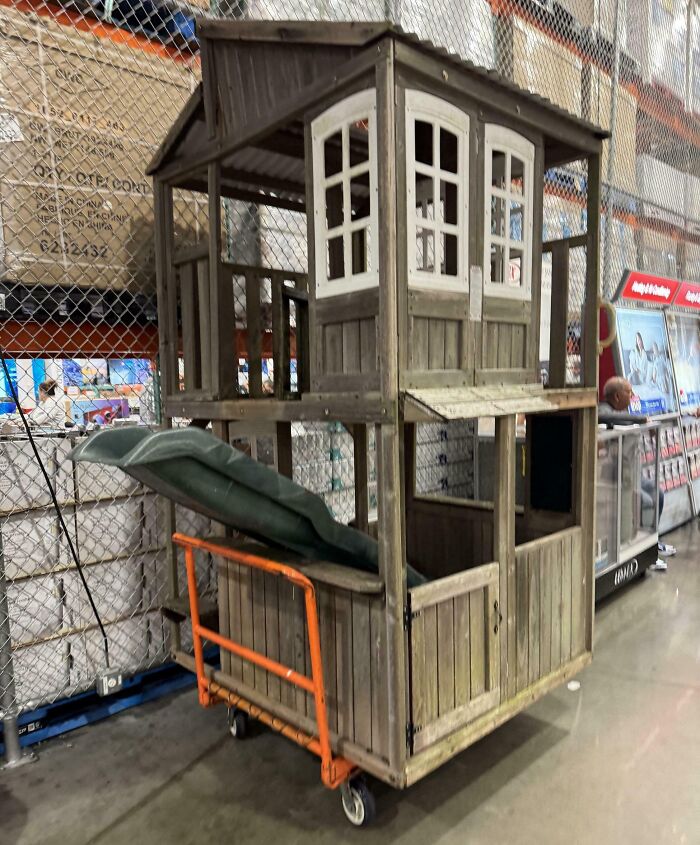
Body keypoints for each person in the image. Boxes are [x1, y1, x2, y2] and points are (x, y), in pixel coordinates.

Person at [598, 376, 675, 569]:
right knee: (645, 501)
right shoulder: (603, 410)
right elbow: (608, 418)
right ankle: (641, 550)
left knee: (657, 494)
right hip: (614, 478)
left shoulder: (622, 411)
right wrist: (641, 420)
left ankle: (652, 544)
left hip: (631, 474)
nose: (632, 396)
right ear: (617, 396)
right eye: (629, 392)